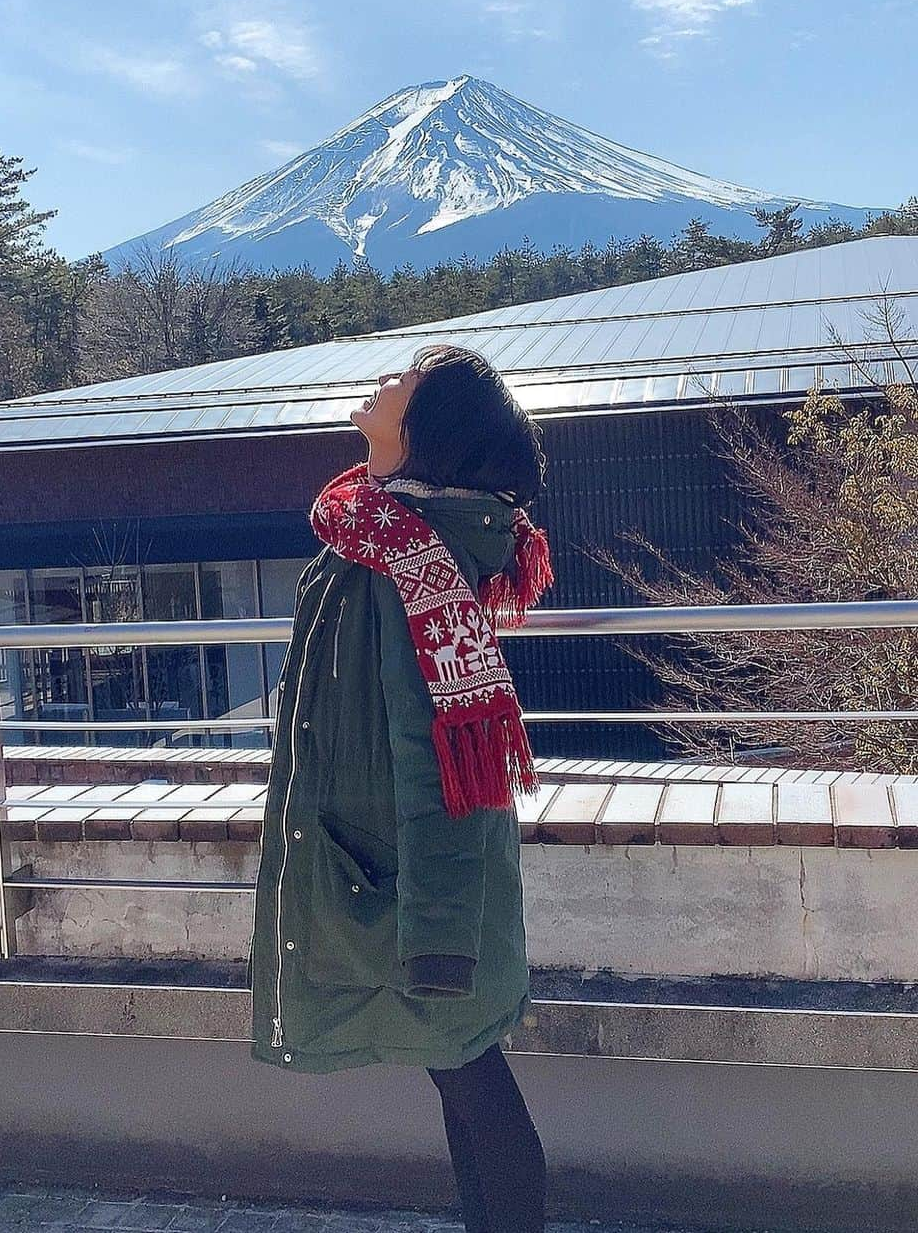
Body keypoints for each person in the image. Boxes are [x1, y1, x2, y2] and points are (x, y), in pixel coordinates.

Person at [248, 343, 552, 1232]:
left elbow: (443, 770)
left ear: (422, 430)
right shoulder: (381, 533)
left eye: (404, 384)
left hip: (415, 892)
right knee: (457, 1075)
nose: (383, 383)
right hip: (388, 875)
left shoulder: (414, 572)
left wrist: (440, 940)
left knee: (470, 1077)